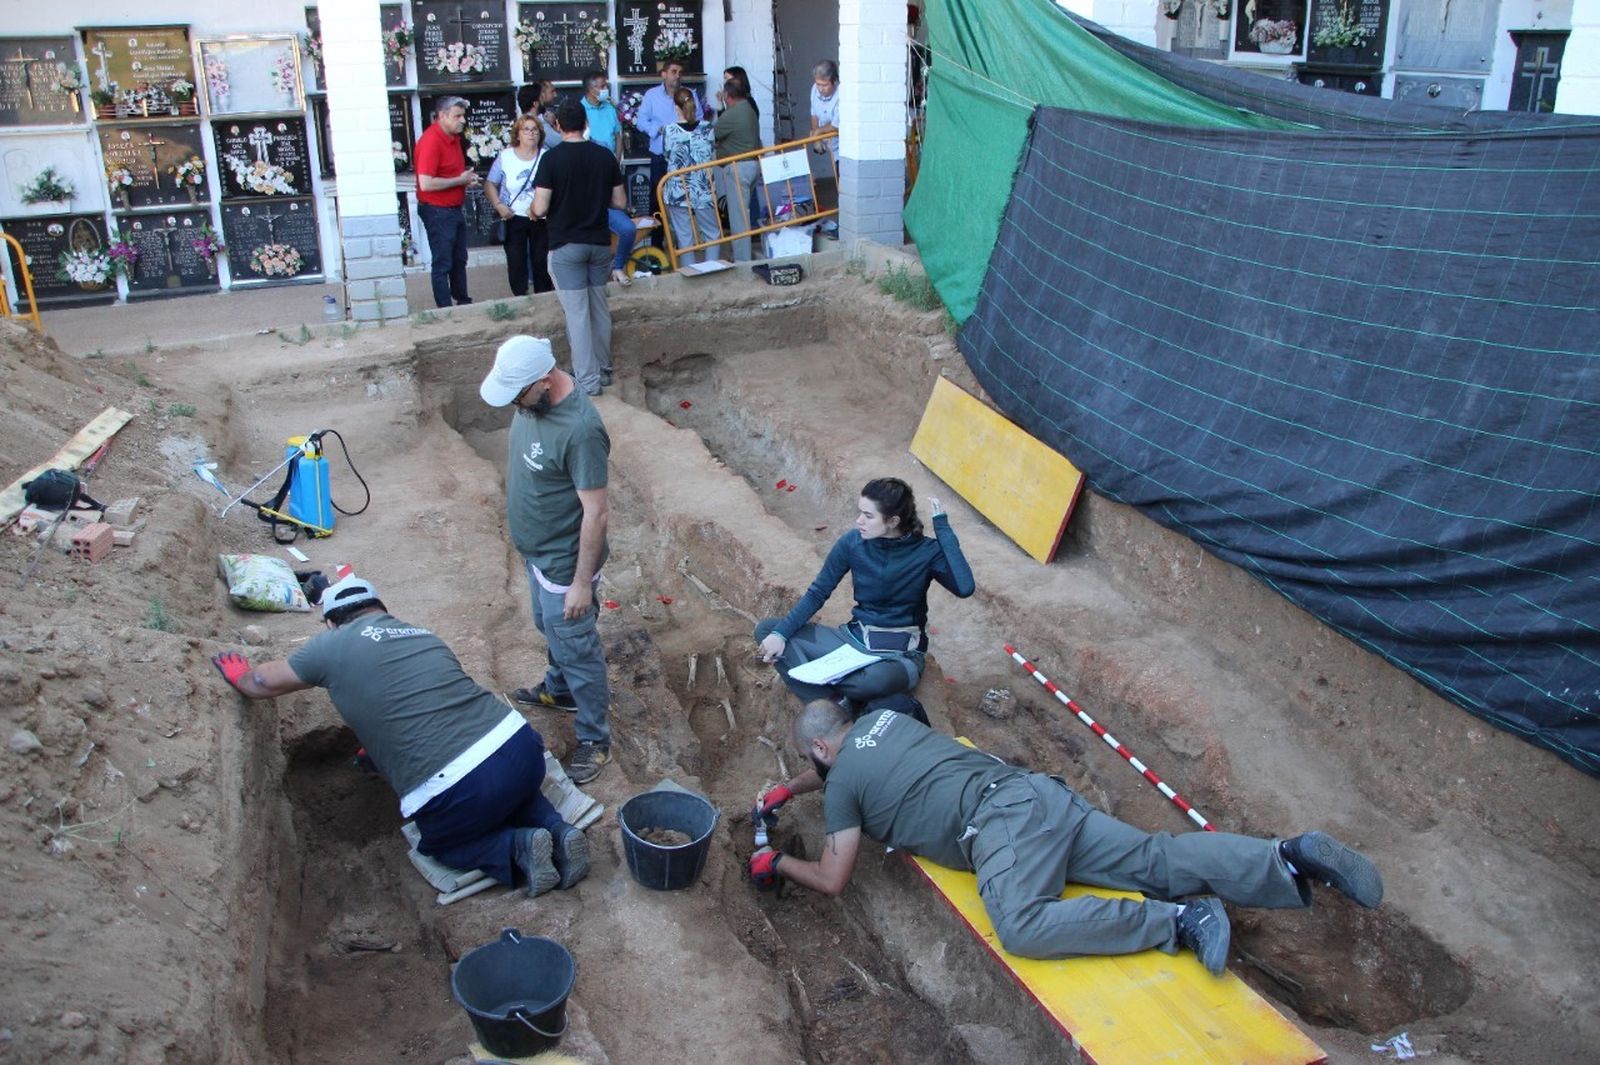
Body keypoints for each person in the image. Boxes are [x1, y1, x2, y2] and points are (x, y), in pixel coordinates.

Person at [750, 702, 1385, 973]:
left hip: (999, 829)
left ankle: (1180, 924)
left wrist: (776, 860)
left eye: (812, 763)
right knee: (1152, 855)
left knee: (1022, 927)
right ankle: (1289, 856)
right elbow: (842, 767)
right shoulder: (883, 721)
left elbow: (834, 879)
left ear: (818, 746)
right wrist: (790, 787)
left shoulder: (841, 785)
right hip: (1040, 797)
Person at [210, 571, 590, 896]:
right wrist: (380, 754)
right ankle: (557, 830)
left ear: (331, 622)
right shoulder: (422, 634)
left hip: (460, 787)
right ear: (380, 609)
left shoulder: (331, 644)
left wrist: (240, 676)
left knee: (441, 843)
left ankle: (516, 846)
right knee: (507, 793)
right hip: (520, 750)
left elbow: (261, 681)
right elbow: (427, 707)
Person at [480, 335, 614, 785]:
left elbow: (596, 512)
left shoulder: (580, 430)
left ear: (543, 380)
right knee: (547, 625)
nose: (514, 404)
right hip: (537, 553)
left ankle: (595, 739)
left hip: (563, 564)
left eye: (518, 394)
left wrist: (580, 583)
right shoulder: (532, 403)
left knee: (578, 646)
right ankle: (559, 690)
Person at [755, 478, 973, 708]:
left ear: (892, 521)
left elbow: (965, 587)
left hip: (898, 656)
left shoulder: (927, 551)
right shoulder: (852, 542)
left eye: (868, 516)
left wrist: (943, 530)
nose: (859, 521)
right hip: (852, 641)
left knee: (869, 682)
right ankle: (836, 704)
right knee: (767, 630)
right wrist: (780, 635)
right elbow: (818, 592)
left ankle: (831, 696)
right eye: (860, 513)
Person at [534, 98, 626, 398]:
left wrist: (534, 212)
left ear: (558, 126)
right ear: (585, 123)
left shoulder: (551, 159)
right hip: (599, 244)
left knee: (577, 315)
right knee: (599, 308)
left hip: (565, 246)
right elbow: (620, 203)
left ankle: (588, 381)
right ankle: (605, 369)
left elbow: (541, 205)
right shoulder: (604, 156)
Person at [414, 95, 483, 308]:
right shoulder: (432, 141)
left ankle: (463, 300)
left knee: (459, 258)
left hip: (452, 208)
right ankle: (445, 309)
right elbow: (425, 183)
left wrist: (464, 181)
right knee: (443, 262)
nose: (463, 120)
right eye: (458, 116)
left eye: (463, 115)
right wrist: (459, 180)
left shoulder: (452, 138)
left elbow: (447, 175)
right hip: (437, 210)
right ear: (442, 116)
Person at [579, 69, 639, 286]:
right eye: (602, 85)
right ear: (590, 89)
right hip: (588, 177)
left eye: (606, 85)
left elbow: (618, 135)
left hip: (611, 172)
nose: (605, 89)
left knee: (626, 228)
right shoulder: (580, 110)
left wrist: (616, 160)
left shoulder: (609, 108)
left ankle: (618, 266)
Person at [634, 60, 702, 248]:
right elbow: (641, 121)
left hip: (685, 157)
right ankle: (657, 245)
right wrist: (658, 129)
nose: (677, 75)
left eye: (680, 72)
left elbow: (700, 120)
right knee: (658, 201)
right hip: (660, 156)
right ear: (664, 74)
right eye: (673, 71)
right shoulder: (652, 95)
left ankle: (686, 244)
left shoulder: (690, 95)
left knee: (686, 199)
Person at [485, 112, 552, 296]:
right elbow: (491, 183)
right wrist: (498, 205)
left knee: (541, 261)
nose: (531, 133)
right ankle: (520, 298)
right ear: (518, 134)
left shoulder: (547, 157)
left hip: (541, 218)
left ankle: (544, 297)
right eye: (526, 129)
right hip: (513, 216)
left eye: (535, 130)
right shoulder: (506, 156)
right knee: (516, 262)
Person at [662, 87, 717, 267]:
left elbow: (667, 155)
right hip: (703, 187)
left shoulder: (669, 131)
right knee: (711, 233)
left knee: (684, 236)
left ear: (676, 107)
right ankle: (712, 269)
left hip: (678, 188)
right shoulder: (707, 127)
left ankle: (688, 274)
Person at [714, 76, 761, 261]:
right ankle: (742, 256)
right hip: (751, 166)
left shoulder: (732, 114)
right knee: (743, 214)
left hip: (737, 169)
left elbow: (714, 135)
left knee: (739, 219)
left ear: (728, 95)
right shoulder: (748, 109)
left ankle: (742, 262)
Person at [809, 60, 839, 164]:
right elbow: (814, 114)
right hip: (831, 147)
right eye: (818, 84)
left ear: (834, 81)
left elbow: (836, 125)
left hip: (843, 149)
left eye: (825, 85)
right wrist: (816, 139)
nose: (820, 89)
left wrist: (817, 132)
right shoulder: (814, 89)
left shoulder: (841, 95)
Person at [518, 80, 562, 149]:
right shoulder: (540, 125)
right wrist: (553, 125)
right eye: (541, 98)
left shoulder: (518, 124)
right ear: (535, 103)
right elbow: (561, 142)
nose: (543, 100)